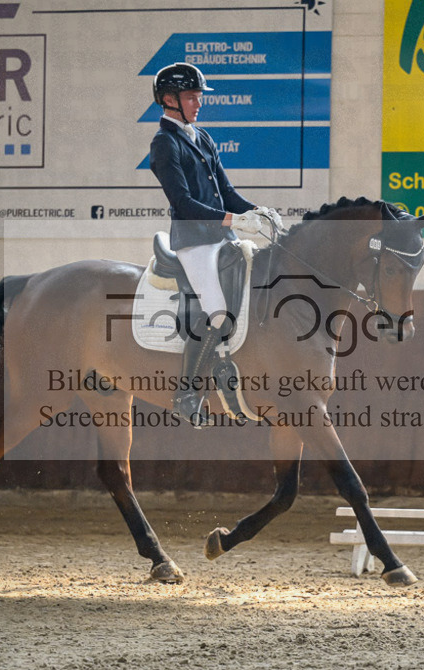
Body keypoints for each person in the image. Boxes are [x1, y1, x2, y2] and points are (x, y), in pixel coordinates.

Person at [149, 62, 282, 422]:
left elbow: (226, 192)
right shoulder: (164, 143)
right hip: (194, 242)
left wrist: (257, 212)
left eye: (198, 97)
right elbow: (183, 203)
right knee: (218, 314)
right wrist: (234, 220)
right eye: (192, 97)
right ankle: (187, 395)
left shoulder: (202, 137)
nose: (199, 103)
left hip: (222, 237)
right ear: (169, 99)